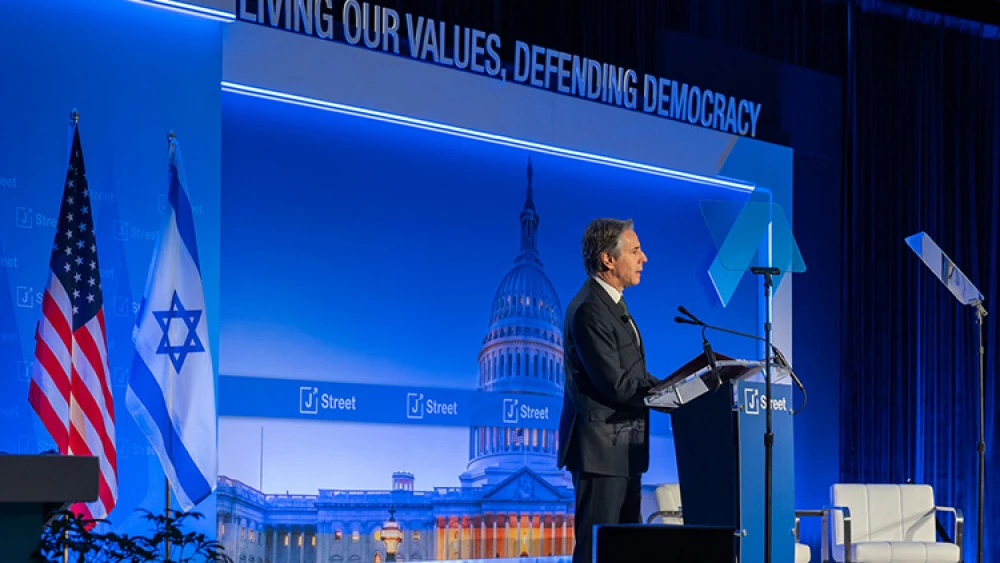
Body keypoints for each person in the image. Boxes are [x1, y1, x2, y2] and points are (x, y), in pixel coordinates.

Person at [557, 218, 659, 563]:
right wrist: (666, 394)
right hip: (600, 454)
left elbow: (632, 373)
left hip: (624, 449)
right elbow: (614, 384)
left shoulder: (613, 304)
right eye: (635, 251)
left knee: (625, 551)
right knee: (596, 552)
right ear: (608, 259)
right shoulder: (589, 309)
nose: (644, 258)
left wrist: (672, 387)